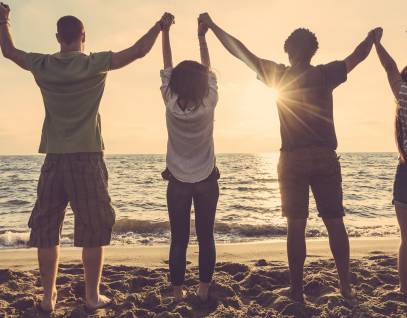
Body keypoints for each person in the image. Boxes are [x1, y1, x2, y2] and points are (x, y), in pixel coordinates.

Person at [0, 2, 173, 312]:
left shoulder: (43, 64)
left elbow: (9, 51)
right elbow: (138, 51)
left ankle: (47, 297)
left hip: (54, 159)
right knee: (92, 230)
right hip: (88, 158)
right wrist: (159, 27)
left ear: (57, 37)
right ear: (83, 35)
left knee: (46, 229)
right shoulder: (94, 64)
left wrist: (4, 20)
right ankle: (92, 296)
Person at [198, 12, 378, 302]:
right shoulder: (324, 73)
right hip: (324, 156)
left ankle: (297, 291)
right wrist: (371, 38)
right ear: (312, 51)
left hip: (292, 158)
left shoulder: (280, 75)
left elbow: (240, 51)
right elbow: (357, 56)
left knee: (296, 225)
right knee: (335, 221)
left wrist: (213, 26)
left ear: (288, 50)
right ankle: (345, 287)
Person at [159, 14, 220, 303]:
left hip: (178, 182)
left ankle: (177, 290)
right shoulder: (209, 103)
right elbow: (207, 70)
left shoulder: (170, 103)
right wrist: (202, 36)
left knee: (179, 237)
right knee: (206, 236)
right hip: (207, 178)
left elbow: (167, 67)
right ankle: (204, 289)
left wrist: (165, 31)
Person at [372, 27, 407, 297]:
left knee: (406, 240)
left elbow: (390, 68)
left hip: (404, 172)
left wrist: (376, 43)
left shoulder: (403, 95)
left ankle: (405, 292)